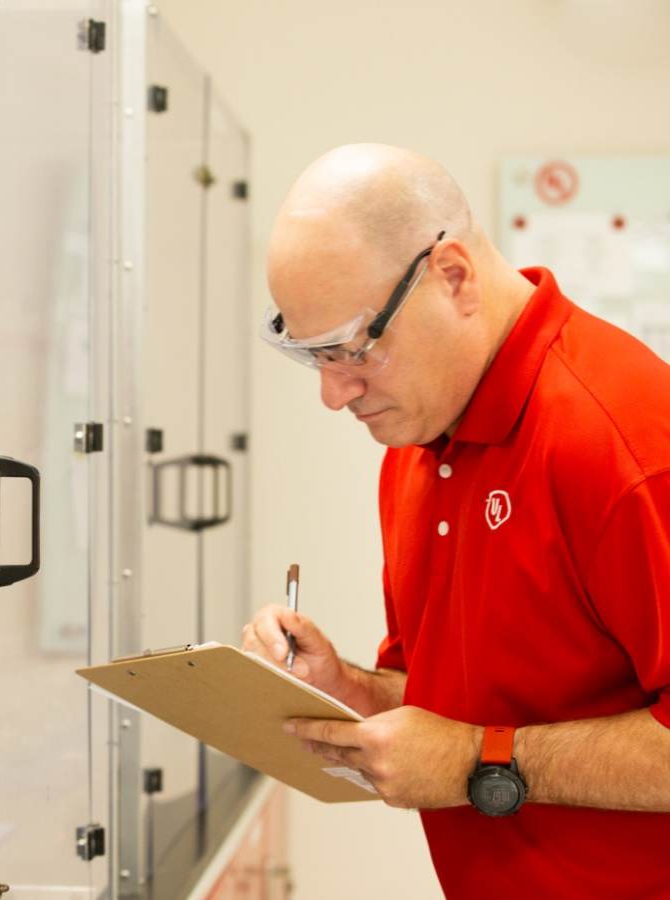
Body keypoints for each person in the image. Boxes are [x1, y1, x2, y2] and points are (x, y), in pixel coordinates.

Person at [244, 143, 670, 898]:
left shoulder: (626, 442)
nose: (334, 395)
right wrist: (349, 688)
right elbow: (445, 704)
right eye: (313, 357)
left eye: (354, 349)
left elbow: (468, 745)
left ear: (452, 277)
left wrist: (483, 758)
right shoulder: (412, 449)